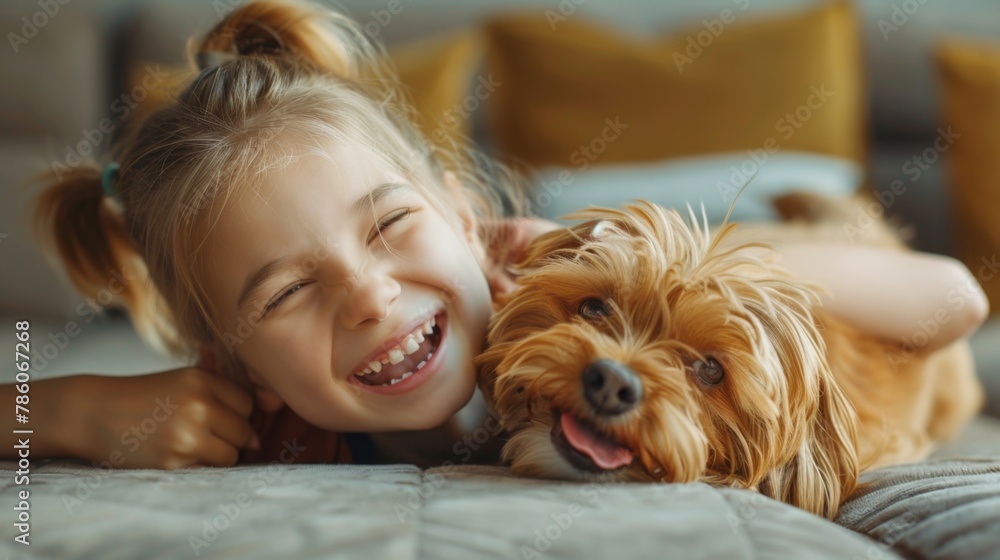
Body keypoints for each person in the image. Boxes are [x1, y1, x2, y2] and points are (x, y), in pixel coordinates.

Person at [0, 0, 989, 470]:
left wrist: (634, 268)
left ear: (462, 216)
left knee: (814, 225)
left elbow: (954, 297)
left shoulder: (566, 289)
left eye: (390, 225)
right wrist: (69, 408)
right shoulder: (256, 420)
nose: (369, 295)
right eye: (285, 291)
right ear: (232, 360)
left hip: (762, 248)